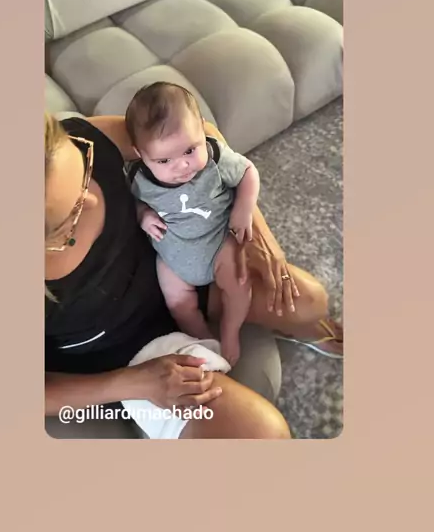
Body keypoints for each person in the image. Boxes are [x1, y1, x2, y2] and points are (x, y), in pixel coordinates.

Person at [45, 110, 343, 440]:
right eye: (68, 217)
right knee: (264, 435)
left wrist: (254, 233)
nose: (91, 199)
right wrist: (131, 383)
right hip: (127, 353)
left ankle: (291, 329)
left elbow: (203, 135)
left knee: (309, 302)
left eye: (84, 170)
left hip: (175, 267)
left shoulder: (82, 137)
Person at [125, 81, 271, 367]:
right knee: (177, 303)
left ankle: (230, 331)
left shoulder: (215, 158)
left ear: (203, 129)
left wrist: (243, 209)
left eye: (190, 150)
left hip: (218, 242)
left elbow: (248, 172)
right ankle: (204, 339)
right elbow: (126, 201)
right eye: (164, 160)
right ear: (140, 154)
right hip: (172, 258)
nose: (182, 166)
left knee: (240, 284)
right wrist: (141, 214)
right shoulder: (137, 179)